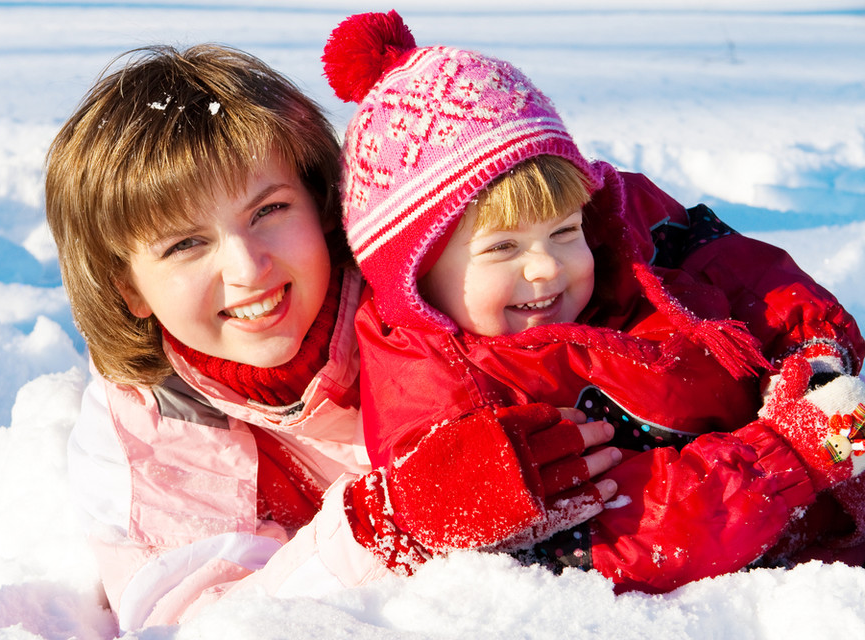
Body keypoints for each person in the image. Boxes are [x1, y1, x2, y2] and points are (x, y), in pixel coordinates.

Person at [44, 42, 618, 631]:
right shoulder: (149, 425)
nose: (247, 268)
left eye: (268, 210)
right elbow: (198, 620)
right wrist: (390, 522)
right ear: (129, 288)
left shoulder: (422, 290)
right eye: (185, 244)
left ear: (321, 203)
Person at [321, 10, 865, 592]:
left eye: (563, 231)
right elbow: (617, 535)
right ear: (417, 276)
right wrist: (786, 458)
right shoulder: (443, 395)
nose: (547, 265)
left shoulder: (628, 237)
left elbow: (749, 276)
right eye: (502, 247)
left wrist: (814, 358)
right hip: (747, 578)